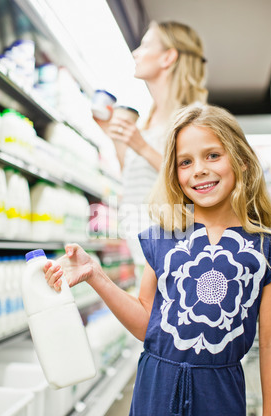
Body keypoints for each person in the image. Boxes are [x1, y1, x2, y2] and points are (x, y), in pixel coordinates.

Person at [44, 104, 271, 416]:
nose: (199, 170)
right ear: (174, 173)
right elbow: (149, 325)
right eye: (185, 162)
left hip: (220, 403)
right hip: (154, 400)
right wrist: (95, 275)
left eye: (212, 155)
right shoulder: (165, 235)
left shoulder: (267, 249)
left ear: (242, 160)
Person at [94, 21, 208, 282]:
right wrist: (116, 138)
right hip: (142, 250)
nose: (136, 53)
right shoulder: (148, 117)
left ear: (168, 57)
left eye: (145, 45)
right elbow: (136, 178)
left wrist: (142, 146)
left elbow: (197, 178)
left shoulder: (193, 115)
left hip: (175, 254)